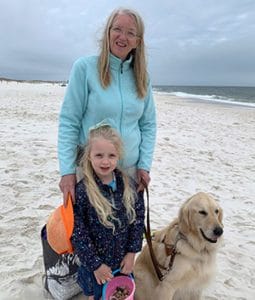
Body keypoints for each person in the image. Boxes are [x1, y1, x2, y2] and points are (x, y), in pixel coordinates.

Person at [58, 7, 156, 206]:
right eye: (117, 29)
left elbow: (148, 125)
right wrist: (67, 171)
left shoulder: (142, 77)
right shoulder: (84, 68)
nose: (123, 37)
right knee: (87, 235)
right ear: (108, 33)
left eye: (131, 33)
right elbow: (69, 121)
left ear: (138, 41)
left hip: (130, 174)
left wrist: (144, 166)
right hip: (90, 173)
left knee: (125, 234)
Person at [71, 123, 145, 300]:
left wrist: (131, 253)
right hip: (95, 268)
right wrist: (96, 265)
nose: (105, 161)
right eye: (99, 155)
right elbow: (78, 232)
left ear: (118, 156)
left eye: (111, 155)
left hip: (122, 263)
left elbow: (138, 220)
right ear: (89, 156)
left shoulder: (129, 187)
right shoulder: (82, 191)